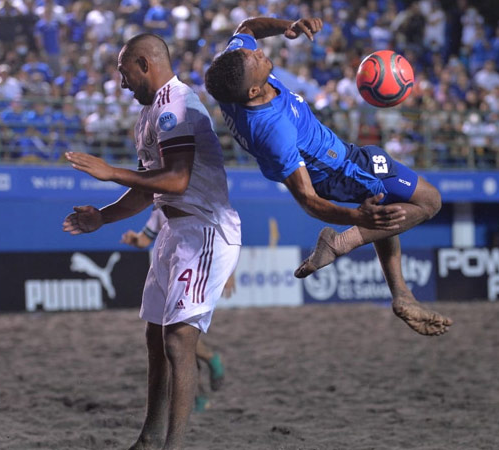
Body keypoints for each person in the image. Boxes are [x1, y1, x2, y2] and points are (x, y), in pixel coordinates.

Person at [204, 17, 452, 336]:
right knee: (429, 201)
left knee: (384, 212)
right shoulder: (272, 131)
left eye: (251, 53)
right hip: (341, 169)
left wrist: (286, 26)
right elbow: (307, 198)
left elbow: (247, 29)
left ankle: (402, 295)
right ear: (253, 90)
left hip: (342, 159)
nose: (257, 53)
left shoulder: (231, 70)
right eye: (254, 59)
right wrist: (354, 218)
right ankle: (339, 244)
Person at [62, 33, 241, 450]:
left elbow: (177, 180)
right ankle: (149, 438)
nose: (123, 84)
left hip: (204, 230)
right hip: (173, 232)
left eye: (126, 74)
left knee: (179, 339)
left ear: (145, 64)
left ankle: (171, 445)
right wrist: (103, 217)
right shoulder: (149, 114)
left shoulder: (177, 106)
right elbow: (148, 190)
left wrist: (110, 172)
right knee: (155, 336)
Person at [121, 208, 229, 411]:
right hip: (169, 275)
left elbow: (223, 234)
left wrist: (228, 271)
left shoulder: (190, 203)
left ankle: (209, 362)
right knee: (173, 339)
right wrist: (134, 239)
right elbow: (145, 240)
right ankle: (199, 396)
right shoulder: (159, 211)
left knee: (177, 336)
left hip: (192, 273)